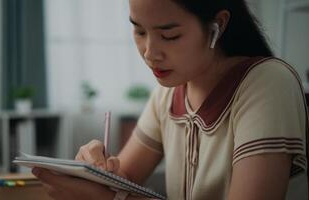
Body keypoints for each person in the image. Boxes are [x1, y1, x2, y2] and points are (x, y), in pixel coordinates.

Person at [32, 0, 308, 199]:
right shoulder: (168, 92)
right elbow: (123, 178)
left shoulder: (268, 83)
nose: (150, 53)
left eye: (169, 35)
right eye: (139, 31)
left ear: (218, 25)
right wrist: (96, 172)